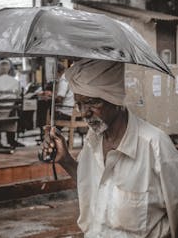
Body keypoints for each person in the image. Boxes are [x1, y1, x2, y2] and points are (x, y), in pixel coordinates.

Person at [41, 59, 178, 238]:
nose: (84, 113)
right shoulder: (93, 139)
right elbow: (92, 184)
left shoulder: (155, 146)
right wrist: (65, 160)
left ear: (115, 100)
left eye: (92, 103)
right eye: (79, 104)